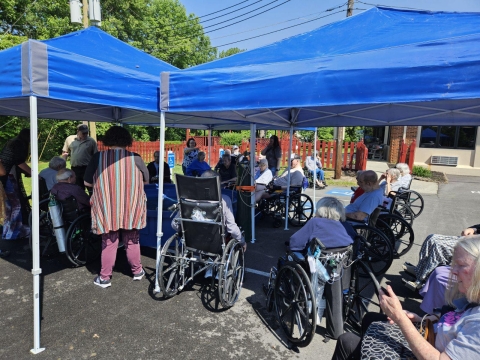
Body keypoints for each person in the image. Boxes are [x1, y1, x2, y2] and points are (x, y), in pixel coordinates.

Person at [332, 235, 480, 360]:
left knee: (347, 342)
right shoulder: (473, 300)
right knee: (369, 318)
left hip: (432, 352)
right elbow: (454, 323)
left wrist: (399, 318)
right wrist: (419, 319)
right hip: (432, 337)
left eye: (460, 265)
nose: (453, 271)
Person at [84, 126, 149, 288]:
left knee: (109, 241)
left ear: (108, 140)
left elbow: (86, 182)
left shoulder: (98, 157)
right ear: (126, 140)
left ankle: (105, 278)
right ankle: (137, 271)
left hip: (107, 208)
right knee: (132, 239)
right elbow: (146, 181)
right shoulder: (136, 158)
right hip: (131, 207)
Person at [172, 170, 246, 251]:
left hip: (192, 239)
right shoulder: (224, 200)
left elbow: (174, 224)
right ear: (217, 184)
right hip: (215, 241)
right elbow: (232, 228)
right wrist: (242, 241)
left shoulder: (188, 200)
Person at [402, 224, 480, 291]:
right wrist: (474, 229)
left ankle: (422, 279)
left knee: (438, 246)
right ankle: (419, 270)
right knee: (432, 238)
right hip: (475, 239)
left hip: (476, 247)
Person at [289, 197, 355, 252]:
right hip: (343, 260)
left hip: (319, 261)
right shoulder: (344, 224)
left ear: (321, 210)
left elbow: (295, 242)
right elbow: (355, 239)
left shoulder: (315, 222)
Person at [0, 128, 31, 240]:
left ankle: (8, 232)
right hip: (7, 176)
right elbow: (19, 162)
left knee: (9, 207)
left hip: (6, 176)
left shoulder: (12, 142)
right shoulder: (18, 144)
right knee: (15, 206)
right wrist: (33, 173)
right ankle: (14, 232)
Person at [62, 124, 98, 193]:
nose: (85, 134)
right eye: (83, 133)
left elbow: (95, 155)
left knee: (91, 188)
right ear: (78, 131)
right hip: (75, 168)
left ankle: (92, 202)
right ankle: (80, 202)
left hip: (87, 168)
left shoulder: (91, 141)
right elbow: (65, 152)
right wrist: (63, 166)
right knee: (78, 189)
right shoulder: (70, 139)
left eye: (87, 132)